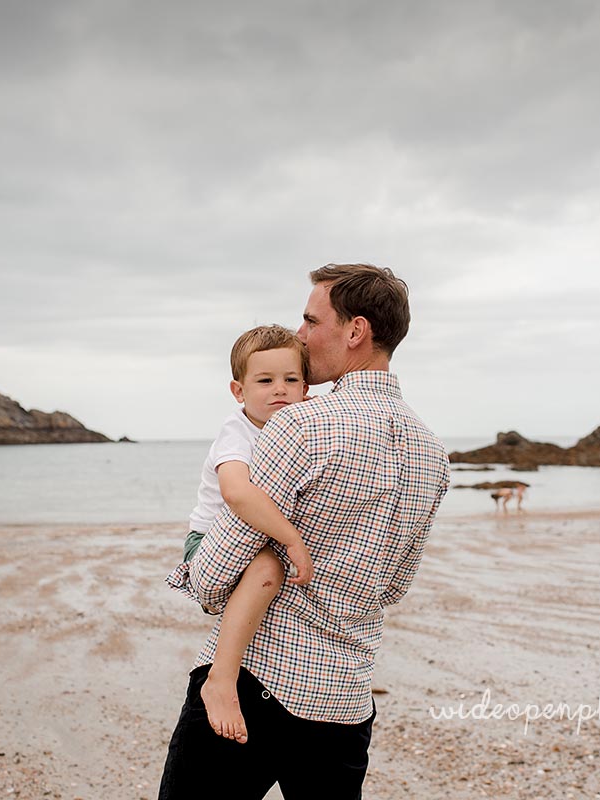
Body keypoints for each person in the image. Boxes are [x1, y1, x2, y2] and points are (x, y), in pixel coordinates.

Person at [159, 264, 450, 799]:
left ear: (355, 331)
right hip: (345, 703)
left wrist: (215, 570)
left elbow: (212, 578)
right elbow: (395, 587)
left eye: (311, 319)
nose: (300, 334)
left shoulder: (300, 425)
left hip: (255, 683)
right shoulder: (432, 452)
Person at [165, 325, 316, 745]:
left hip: (257, 537)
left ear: (305, 386)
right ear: (238, 390)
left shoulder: (300, 422)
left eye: (290, 380)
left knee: (270, 572)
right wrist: (290, 538)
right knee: (269, 568)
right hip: (208, 540)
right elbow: (235, 492)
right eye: (265, 381)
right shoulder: (238, 430)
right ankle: (221, 678)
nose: (279, 390)